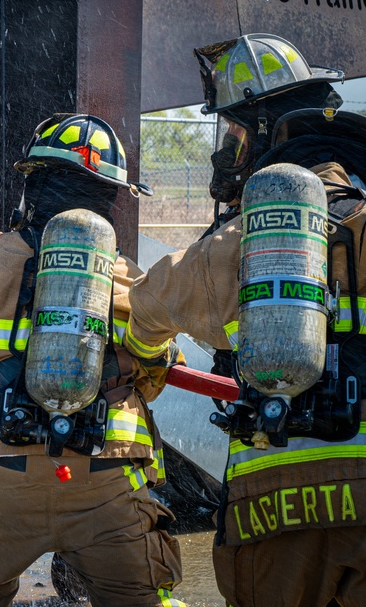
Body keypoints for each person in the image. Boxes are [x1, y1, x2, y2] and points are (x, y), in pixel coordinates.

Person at [126, 33, 366, 607]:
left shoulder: (241, 241)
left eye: (233, 135)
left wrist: (144, 355)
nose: (225, 154)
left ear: (262, 132)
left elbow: (148, 306)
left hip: (276, 496)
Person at [0, 113, 188, 607]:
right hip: (105, 480)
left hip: (1, 475)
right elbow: (158, 373)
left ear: (33, 187)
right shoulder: (128, 279)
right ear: (109, 200)